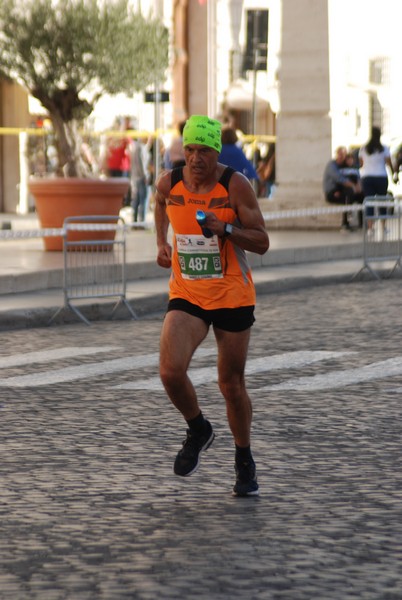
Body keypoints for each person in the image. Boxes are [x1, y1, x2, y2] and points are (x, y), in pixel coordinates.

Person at [154, 115, 269, 496]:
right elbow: (159, 202)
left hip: (232, 294)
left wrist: (227, 229)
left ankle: (243, 457)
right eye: (189, 149)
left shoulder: (234, 185)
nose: (195, 157)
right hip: (188, 293)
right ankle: (199, 428)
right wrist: (161, 242)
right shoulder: (170, 182)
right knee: (170, 372)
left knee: (230, 384)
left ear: (216, 151)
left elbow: (262, 240)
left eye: (204, 149)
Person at [359, 127, 394, 231]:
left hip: (367, 177)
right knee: (382, 201)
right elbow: (389, 163)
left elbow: (361, 164)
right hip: (381, 177)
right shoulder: (384, 148)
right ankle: (383, 227)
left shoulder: (363, 149)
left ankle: (370, 228)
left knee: (369, 202)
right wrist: (393, 174)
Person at [323, 146, 361, 231]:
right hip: (332, 191)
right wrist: (353, 186)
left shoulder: (346, 166)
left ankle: (362, 223)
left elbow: (355, 176)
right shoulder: (332, 165)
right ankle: (345, 223)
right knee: (348, 195)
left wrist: (358, 186)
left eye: (343, 154)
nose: (341, 156)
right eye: (340, 154)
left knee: (360, 196)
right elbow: (339, 178)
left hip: (343, 190)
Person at [130, 137, 149, 223]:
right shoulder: (141, 148)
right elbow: (142, 164)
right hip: (141, 177)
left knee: (136, 200)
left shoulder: (135, 148)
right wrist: (145, 176)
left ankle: (134, 220)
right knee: (143, 200)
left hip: (135, 177)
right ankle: (142, 221)